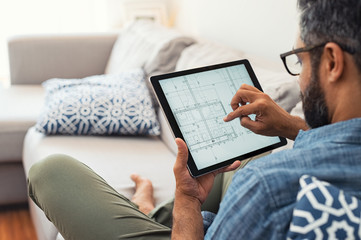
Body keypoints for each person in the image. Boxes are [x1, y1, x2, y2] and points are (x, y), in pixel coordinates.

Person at [28, 0, 361, 239]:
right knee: (247, 153)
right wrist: (290, 126)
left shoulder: (267, 187)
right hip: (227, 218)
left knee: (50, 170)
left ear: (332, 61)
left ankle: (146, 210)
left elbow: (259, 191)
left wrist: (187, 201)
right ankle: (149, 211)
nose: (300, 79)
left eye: (300, 62)